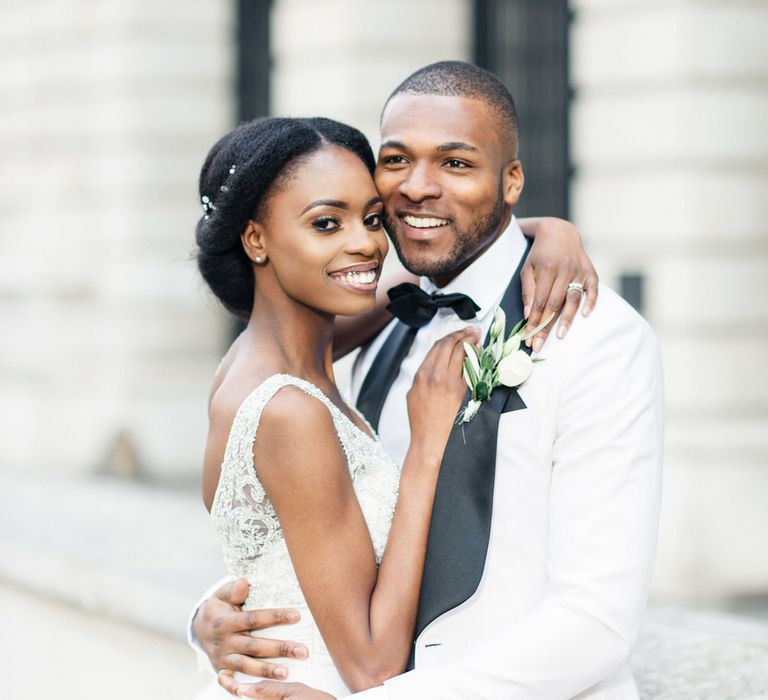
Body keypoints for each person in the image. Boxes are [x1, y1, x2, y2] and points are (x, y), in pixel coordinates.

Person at [221, 61, 663, 699]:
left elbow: (596, 621)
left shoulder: (598, 340)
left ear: (511, 181)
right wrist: (220, 609)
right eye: (396, 159)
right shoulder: (376, 317)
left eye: (456, 163)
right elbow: (331, 526)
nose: (418, 188)